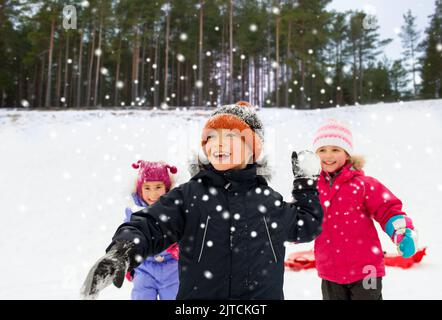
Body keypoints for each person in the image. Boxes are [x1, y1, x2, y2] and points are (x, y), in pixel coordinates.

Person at [81, 101, 323, 300]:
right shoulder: (191, 196)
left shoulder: (267, 201)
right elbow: (150, 224)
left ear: (252, 149)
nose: (218, 142)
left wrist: (307, 184)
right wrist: (123, 250)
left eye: (230, 135)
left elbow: (306, 225)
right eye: (211, 136)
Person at [313, 118, 418, 300]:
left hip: (366, 269)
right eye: (322, 150)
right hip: (330, 270)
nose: (328, 156)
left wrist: (401, 231)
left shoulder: (363, 185)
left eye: (335, 149)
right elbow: (302, 217)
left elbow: (388, 209)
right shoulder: (312, 187)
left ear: (347, 154)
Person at [124, 160, 179, 300]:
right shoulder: (134, 212)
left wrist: (179, 247)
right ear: (139, 189)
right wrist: (128, 263)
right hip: (144, 268)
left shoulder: (174, 209)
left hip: (172, 268)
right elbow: (128, 237)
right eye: (147, 188)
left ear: (166, 188)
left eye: (158, 187)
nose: (153, 194)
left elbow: (185, 233)